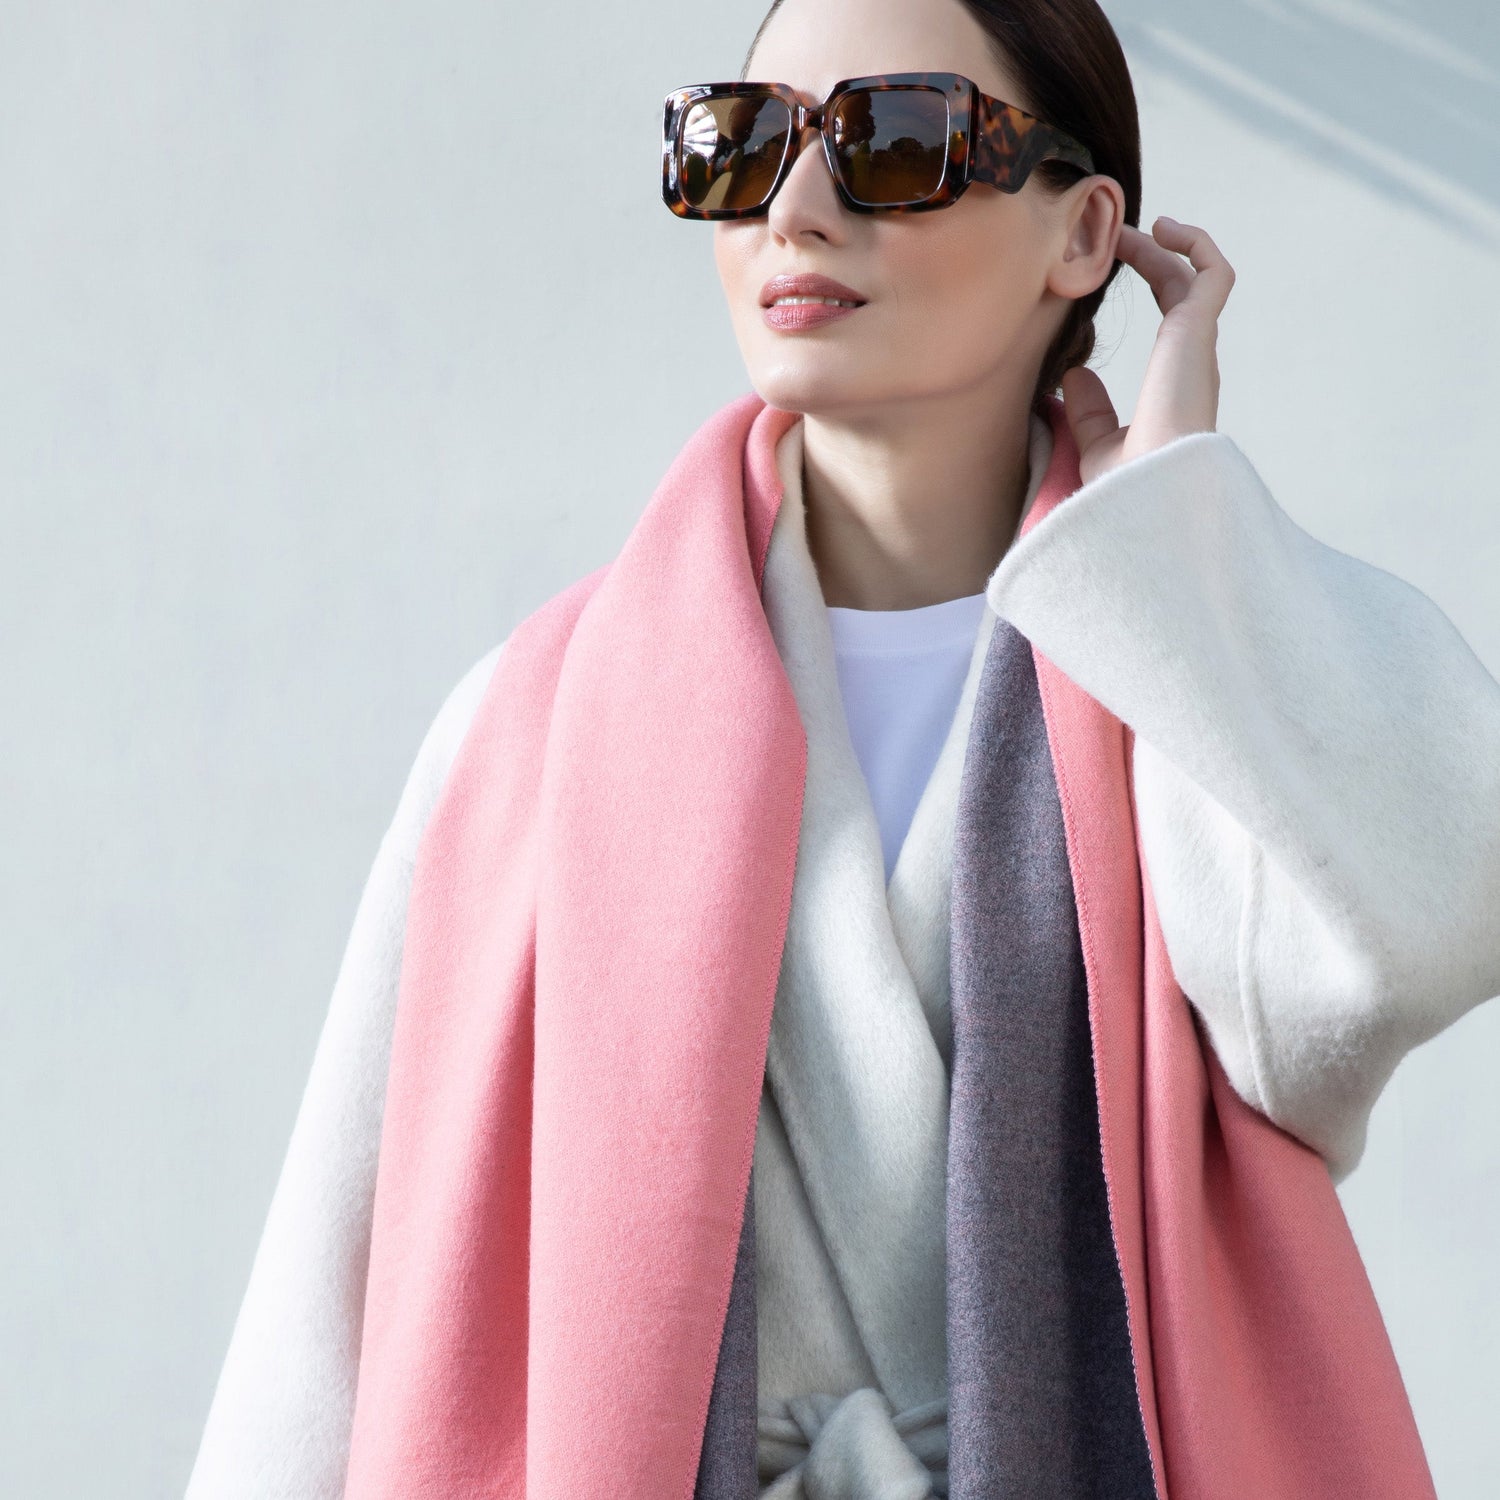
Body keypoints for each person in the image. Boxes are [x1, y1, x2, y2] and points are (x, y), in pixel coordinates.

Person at [184, 0, 1500, 1496]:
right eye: (741, 148)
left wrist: (1181, 540)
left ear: (1084, 234)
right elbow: (337, 1293)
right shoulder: (535, 724)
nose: (795, 210)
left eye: (895, 140)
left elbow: (1437, 906)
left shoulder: (1177, 683)